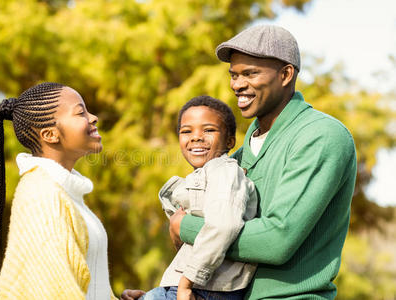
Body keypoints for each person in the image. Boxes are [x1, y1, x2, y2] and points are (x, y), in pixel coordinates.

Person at [168, 25, 357, 299]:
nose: (237, 84)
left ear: (285, 74)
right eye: (233, 75)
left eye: (250, 73)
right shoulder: (237, 157)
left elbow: (277, 240)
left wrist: (184, 227)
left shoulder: (321, 135)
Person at [0, 82, 118, 300]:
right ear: (50, 134)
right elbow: (54, 292)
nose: (93, 118)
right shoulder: (41, 194)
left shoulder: (64, 193)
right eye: (81, 112)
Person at [129, 96, 258, 300]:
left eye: (208, 130)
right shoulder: (204, 175)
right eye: (186, 131)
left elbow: (223, 226)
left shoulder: (225, 172)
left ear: (230, 141)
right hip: (190, 286)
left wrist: (186, 283)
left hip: (206, 289)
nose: (196, 137)